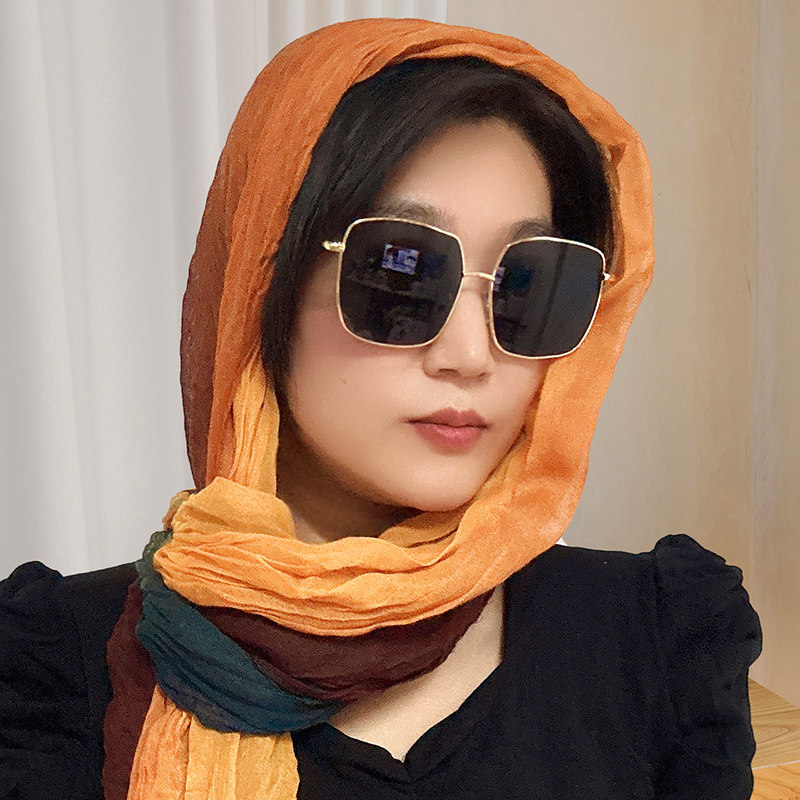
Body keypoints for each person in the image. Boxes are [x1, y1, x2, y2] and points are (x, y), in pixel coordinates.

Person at [0, 18, 761, 800]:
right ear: (263, 290)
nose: (470, 353)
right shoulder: (53, 668)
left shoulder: (660, 641)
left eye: (529, 283)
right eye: (402, 273)